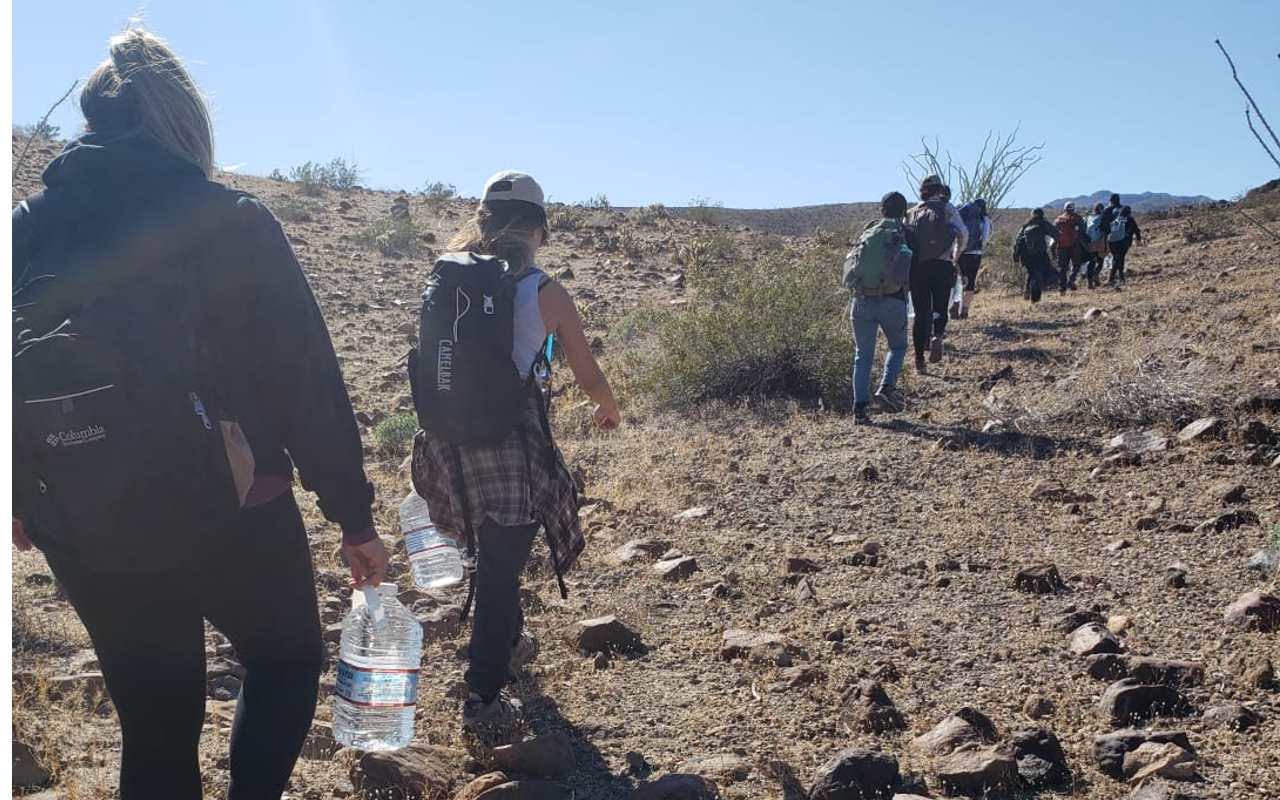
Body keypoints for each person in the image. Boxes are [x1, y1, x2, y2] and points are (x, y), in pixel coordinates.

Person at [10, 29, 386, 800]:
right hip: (233, 502)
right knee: (283, 660)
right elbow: (304, 380)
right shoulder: (229, 218)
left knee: (154, 720)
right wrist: (353, 517)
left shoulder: (24, 228)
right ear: (184, 120)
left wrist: (19, 492)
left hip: (84, 511)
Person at [411, 171, 622, 755]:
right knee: (504, 567)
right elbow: (585, 372)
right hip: (512, 444)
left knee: (488, 553)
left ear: (481, 223)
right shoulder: (545, 292)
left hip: (448, 444)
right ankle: (482, 692)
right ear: (539, 230)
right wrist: (608, 408)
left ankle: (504, 642)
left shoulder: (448, 277)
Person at [846, 192, 913, 423]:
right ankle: (886, 388)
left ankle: (860, 410)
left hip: (861, 300)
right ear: (904, 211)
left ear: (881, 209)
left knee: (862, 356)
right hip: (893, 300)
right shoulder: (905, 234)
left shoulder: (867, 232)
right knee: (898, 346)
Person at [905, 176, 968, 374]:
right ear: (939, 190)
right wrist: (955, 256)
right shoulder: (947, 209)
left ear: (922, 190)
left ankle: (919, 359)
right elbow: (963, 233)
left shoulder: (911, 212)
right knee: (941, 305)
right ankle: (938, 335)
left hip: (918, 267)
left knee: (921, 312)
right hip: (943, 264)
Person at [1013, 209, 1059, 304]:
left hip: (1025, 256)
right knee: (1041, 273)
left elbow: (1017, 240)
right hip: (1040, 254)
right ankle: (1035, 298)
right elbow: (1055, 233)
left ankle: (1027, 293)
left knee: (1030, 273)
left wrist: (1016, 256)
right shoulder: (1042, 223)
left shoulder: (1026, 225)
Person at [955, 198, 991, 319]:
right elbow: (985, 238)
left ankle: (955, 306)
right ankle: (964, 310)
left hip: (960, 252)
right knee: (970, 282)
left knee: (959, 280)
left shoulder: (963, 215)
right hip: (975, 253)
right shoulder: (984, 219)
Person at [1053, 201, 1089, 293]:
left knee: (1062, 268)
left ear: (1065, 208)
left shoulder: (1057, 220)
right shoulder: (1077, 218)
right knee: (1076, 265)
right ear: (1073, 208)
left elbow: (1054, 234)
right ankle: (1071, 280)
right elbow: (1082, 231)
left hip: (1061, 247)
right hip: (1074, 246)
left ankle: (1062, 288)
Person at [1107, 205, 1142, 287]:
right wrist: (1138, 240)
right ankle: (1116, 277)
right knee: (1120, 259)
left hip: (1112, 242)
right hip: (1123, 243)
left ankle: (1116, 277)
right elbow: (1137, 230)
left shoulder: (1117, 219)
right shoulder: (1130, 219)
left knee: (1116, 258)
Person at [1083, 202, 1107, 288]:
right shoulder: (1102, 218)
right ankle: (1096, 276)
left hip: (1089, 243)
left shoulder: (1088, 218)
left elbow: (1084, 229)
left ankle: (1090, 282)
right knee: (1100, 261)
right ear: (1101, 210)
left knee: (1091, 262)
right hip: (1099, 243)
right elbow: (1107, 229)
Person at [1099, 193, 1122, 277]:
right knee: (1118, 256)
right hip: (1122, 237)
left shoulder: (1107, 210)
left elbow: (1101, 224)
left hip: (1109, 236)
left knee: (1109, 255)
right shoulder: (1122, 209)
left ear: (1111, 201)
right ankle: (1118, 273)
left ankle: (1110, 274)